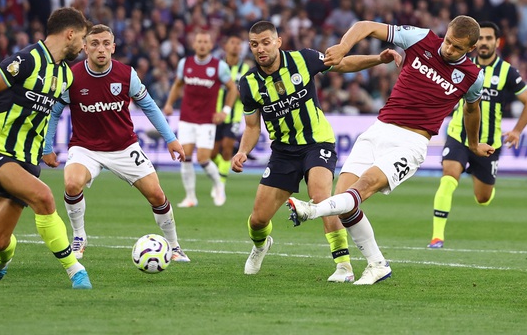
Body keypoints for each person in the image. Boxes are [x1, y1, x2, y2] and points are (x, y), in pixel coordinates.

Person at [288, 16, 495, 285]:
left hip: (411, 142)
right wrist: (343, 46)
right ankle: (377, 265)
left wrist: (473, 144)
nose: (448, 49)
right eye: (447, 41)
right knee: (342, 200)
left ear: (469, 49)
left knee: (363, 188)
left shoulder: (472, 77)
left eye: (457, 48)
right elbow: (366, 26)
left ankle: (310, 211)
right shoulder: (422, 38)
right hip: (378, 130)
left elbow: (471, 109)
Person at [231, 20, 402, 282]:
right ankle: (260, 246)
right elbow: (252, 127)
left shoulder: (304, 59)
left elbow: (343, 64)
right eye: (255, 45)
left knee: (322, 197)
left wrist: (378, 59)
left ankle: (343, 266)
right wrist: (243, 151)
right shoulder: (248, 84)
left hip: (317, 142)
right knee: (257, 221)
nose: (261, 49)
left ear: (278, 41)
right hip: (282, 152)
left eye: (266, 42)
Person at [0, 7, 93, 289]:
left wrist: (45, 148)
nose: (83, 46)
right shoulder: (26, 60)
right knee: (44, 197)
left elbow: (48, 114)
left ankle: (1, 262)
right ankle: (76, 270)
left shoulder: (65, 75)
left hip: (28, 156)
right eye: (83, 38)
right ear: (69, 34)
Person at [42, 24, 191, 262]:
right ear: (84, 47)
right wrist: (47, 147)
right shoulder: (72, 76)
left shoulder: (126, 74)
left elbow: (149, 106)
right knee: (71, 184)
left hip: (124, 147)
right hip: (86, 148)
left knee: (156, 195)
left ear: (113, 47)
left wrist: (171, 139)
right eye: (94, 44)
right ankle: (79, 237)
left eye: (105, 44)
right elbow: (55, 111)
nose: (100, 49)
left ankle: (173, 246)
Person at [428, 21, 527, 248]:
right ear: (475, 43)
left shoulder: (507, 72)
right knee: (449, 176)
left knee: (483, 198)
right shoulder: (461, 64)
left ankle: (482, 181)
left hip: (489, 144)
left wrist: (516, 131)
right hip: (459, 135)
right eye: (482, 39)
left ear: (497, 42)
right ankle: (437, 237)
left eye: (489, 38)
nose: (485, 43)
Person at [163, 30, 238, 207]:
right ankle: (190, 197)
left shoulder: (218, 66)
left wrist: (225, 111)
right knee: (185, 156)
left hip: (207, 120)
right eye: (199, 42)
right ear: (194, 44)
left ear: (211, 45)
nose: (203, 45)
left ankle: (219, 186)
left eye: (206, 42)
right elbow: (177, 85)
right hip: (187, 117)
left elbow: (232, 89)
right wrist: (168, 103)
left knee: (203, 158)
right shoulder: (185, 63)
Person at [210, 34, 251, 188]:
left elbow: (249, 93)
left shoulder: (245, 69)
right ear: (226, 47)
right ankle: (222, 169)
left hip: (234, 116)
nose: (235, 46)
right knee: (212, 154)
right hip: (216, 115)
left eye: (238, 43)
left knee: (227, 147)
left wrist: (237, 92)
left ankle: (220, 183)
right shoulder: (217, 67)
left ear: (241, 48)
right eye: (232, 43)